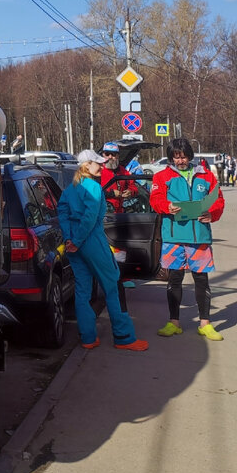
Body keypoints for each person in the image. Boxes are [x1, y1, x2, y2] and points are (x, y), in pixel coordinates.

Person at [57, 150, 149, 351]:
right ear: (86, 166)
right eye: (98, 163)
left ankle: (88, 337)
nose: (102, 166)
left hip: (74, 243)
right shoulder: (94, 188)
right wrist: (79, 240)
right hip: (91, 240)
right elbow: (90, 218)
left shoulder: (70, 188)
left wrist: (69, 239)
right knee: (112, 285)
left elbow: (62, 212)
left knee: (82, 289)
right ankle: (124, 337)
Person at [150, 137, 225, 340]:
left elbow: (218, 199)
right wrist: (167, 207)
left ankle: (205, 324)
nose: (180, 161)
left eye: (183, 157)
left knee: (201, 279)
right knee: (174, 279)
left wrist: (212, 214)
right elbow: (155, 200)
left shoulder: (206, 175)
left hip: (200, 236)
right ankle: (174, 322)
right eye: (176, 157)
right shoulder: (162, 177)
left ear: (189, 156)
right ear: (171, 158)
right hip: (173, 237)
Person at [99, 142, 136, 213]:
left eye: (113, 154)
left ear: (118, 156)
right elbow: (92, 192)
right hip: (103, 213)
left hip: (121, 213)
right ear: (103, 155)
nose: (110, 157)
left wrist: (130, 192)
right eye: (107, 154)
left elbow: (133, 187)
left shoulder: (123, 171)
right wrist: (111, 193)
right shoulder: (98, 171)